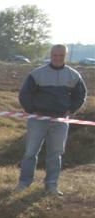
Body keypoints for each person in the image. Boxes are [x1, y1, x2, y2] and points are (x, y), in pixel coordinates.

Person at [15, 44, 87, 195]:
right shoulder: (37, 74)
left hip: (60, 120)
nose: (58, 58)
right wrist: (32, 110)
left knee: (55, 153)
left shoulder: (73, 75)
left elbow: (80, 95)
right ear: (51, 54)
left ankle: (52, 186)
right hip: (38, 119)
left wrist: (71, 109)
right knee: (30, 152)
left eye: (61, 55)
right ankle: (24, 183)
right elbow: (24, 94)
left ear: (65, 56)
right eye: (55, 55)